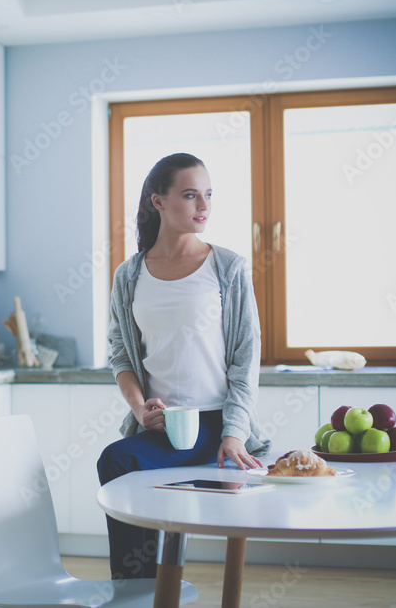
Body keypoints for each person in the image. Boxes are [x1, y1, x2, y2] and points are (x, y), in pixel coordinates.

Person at [97, 152, 271, 579]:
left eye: (208, 195)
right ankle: (136, 589)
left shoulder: (227, 267)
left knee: (118, 462)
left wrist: (234, 435)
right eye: (190, 195)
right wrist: (140, 410)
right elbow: (120, 354)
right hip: (164, 426)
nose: (203, 206)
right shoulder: (130, 275)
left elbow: (247, 360)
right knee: (116, 460)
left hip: (215, 421)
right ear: (158, 202)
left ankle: (139, 588)